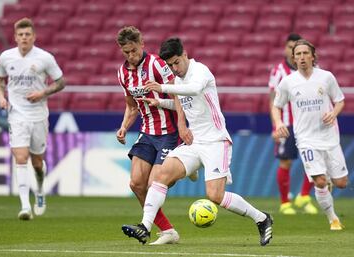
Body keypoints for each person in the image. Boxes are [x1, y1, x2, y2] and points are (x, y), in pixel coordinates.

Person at [121, 38, 273, 246]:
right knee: (161, 176)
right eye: (170, 66)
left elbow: (193, 90)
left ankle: (262, 218)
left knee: (215, 196)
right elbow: (183, 103)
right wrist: (161, 102)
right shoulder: (178, 78)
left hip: (216, 141)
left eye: (176, 62)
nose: (175, 68)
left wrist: (163, 86)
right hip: (194, 142)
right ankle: (145, 227)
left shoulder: (200, 71)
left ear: (184, 54)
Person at [272, 39, 348, 230]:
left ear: (313, 56)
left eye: (306, 53)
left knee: (341, 183)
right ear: (294, 58)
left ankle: (330, 182)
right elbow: (276, 106)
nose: (302, 57)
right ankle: (333, 219)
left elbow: (339, 101)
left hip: (329, 137)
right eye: (298, 54)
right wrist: (279, 122)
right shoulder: (288, 82)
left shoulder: (326, 77)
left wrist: (334, 113)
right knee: (320, 181)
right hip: (306, 139)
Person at [0, 18, 65, 220]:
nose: (24, 38)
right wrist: (1, 97)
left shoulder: (44, 58)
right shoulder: (6, 58)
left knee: (37, 163)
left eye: (28, 34)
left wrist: (43, 93)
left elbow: (61, 82)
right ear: (15, 37)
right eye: (21, 35)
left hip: (38, 116)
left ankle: (40, 191)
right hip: (16, 114)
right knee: (20, 157)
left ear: (34, 37)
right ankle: (25, 206)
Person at [116, 26, 180, 245]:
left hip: (169, 133)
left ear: (142, 44)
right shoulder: (122, 73)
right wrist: (124, 126)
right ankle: (168, 231)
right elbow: (131, 106)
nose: (131, 56)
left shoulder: (157, 65)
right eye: (126, 52)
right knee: (136, 183)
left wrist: (183, 126)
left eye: (134, 50)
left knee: (155, 184)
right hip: (147, 133)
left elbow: (178, 97)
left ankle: (187, 164)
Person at [269, 33, 318, 215]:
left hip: (309, 125)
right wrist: (276, 125)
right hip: (287, 125)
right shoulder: (279, 72)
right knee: (286, 162)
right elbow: (273, 101)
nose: (293, 52)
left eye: (296, 49)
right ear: (286, 49)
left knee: (313, 161)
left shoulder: (313, 71)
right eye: (290, 48)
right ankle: (285, 202)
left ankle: (304, 195)